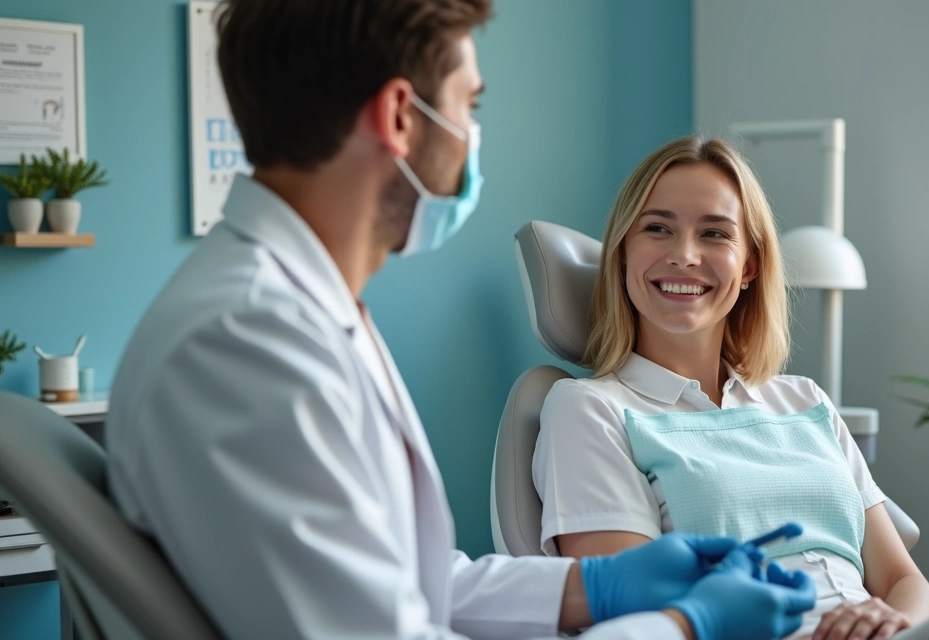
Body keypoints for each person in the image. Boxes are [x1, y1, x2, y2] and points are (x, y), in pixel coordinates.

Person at [104, 2, 818, 639]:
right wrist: (687, 626)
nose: (472, 135)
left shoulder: (299, 313)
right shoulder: (249, 342)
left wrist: (595, 587)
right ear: (400, 116)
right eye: (468, 106)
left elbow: (402, 579)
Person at [532, 136, 929, 640]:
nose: (685, 254)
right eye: (657, 228)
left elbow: (905, 581)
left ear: (749, 266)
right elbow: (632, 613)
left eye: (715, 233)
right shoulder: (590, 409)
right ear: (623, 251)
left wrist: (890, 620)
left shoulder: (805, 400)